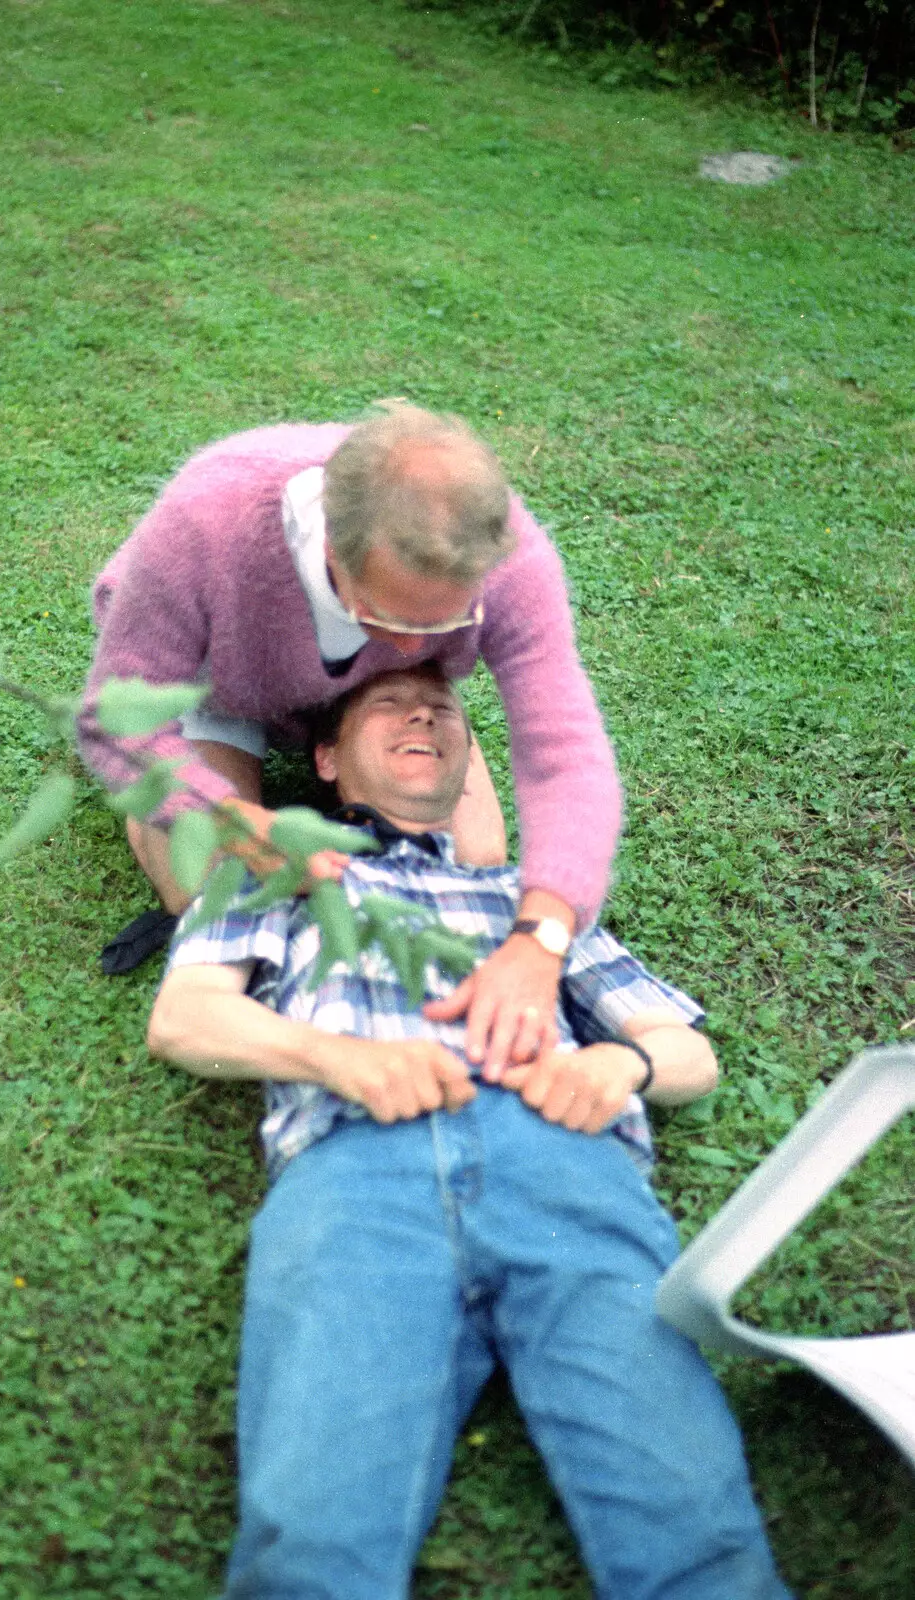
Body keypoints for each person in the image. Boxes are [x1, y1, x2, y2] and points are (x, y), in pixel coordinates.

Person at [147, 664, 793, 1600]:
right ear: (326, 760)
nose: (423, 714)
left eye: (442, 709)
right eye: (389, 707)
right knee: (311, 1543)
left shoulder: (530, 904)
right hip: (356, 1178)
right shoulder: (270, 886)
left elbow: (685, 1052)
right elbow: (186, 1021)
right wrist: (339, 1060)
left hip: (566, 1174)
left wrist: (619, 1066)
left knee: (690, 1522)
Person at [81, 403, 620, 1077]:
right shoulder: (205, 519)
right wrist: (228, 820)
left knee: (474, 857)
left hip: (377, 689)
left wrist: (541, 940)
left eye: (449, 621)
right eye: (392, 616)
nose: (420, 646)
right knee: (207, 888)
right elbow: (117, 716)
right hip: (212, 673)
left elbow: (564, 752)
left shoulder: (506, 556)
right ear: (333, 547)